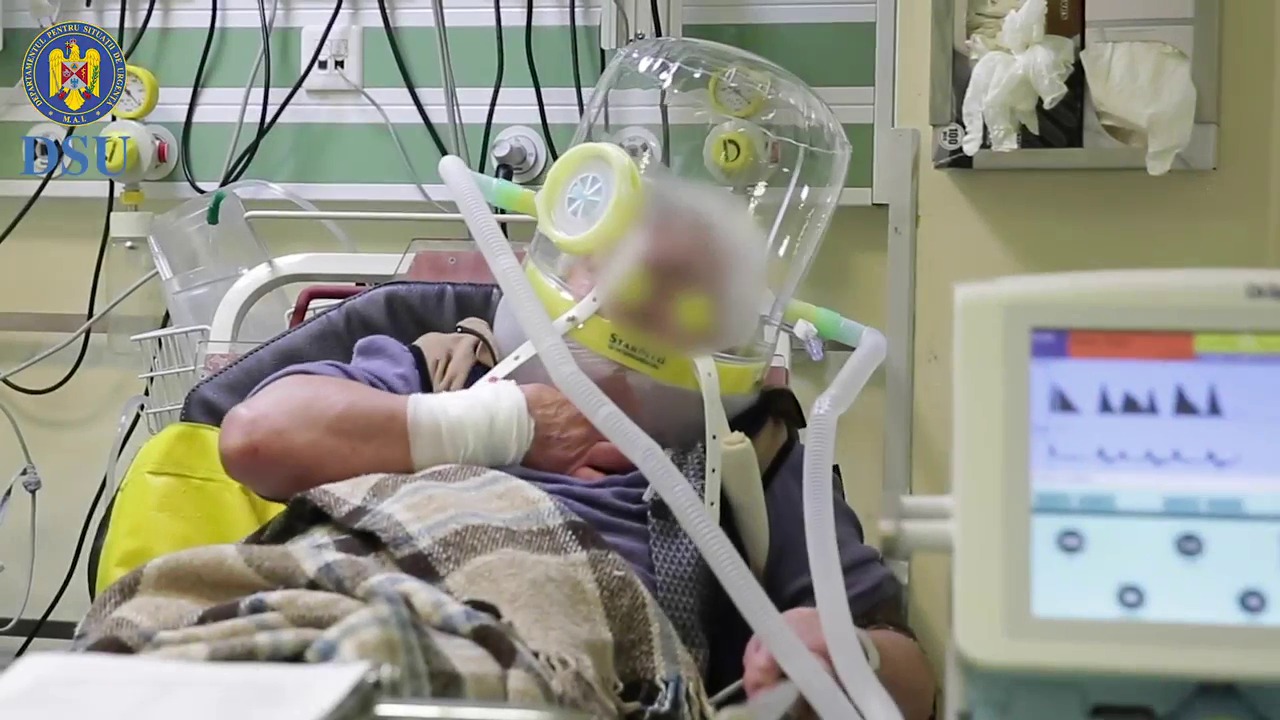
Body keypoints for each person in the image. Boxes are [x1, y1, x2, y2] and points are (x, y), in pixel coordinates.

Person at [219, 316, 937, 720]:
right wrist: (506, 424)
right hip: (311, 600)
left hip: (541, 666)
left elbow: (911, 682)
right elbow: (256, 438)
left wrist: (848, 653)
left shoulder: (746, 448)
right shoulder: (452, 371)